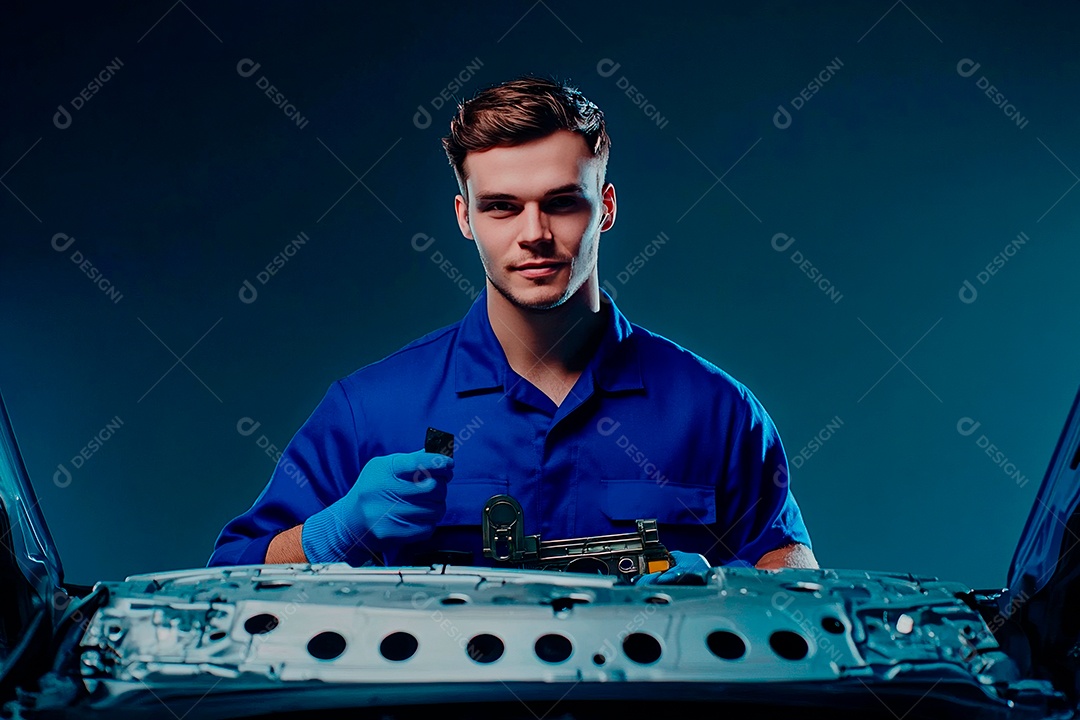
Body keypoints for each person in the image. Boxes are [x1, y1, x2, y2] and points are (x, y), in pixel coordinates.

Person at [207, 74, 817, 574]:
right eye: (501, 207)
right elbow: (228, 578)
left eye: (561, 202)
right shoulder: (369, 410)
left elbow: (792, 571)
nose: (534, 235)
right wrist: (335, 532)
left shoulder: (716, 411)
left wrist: (727, 589)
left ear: (605, 207)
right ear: (464, 217)